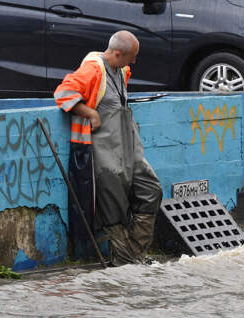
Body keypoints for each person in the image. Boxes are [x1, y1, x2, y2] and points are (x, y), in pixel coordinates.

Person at [54, 30, 163, 266]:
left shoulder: (121, 70)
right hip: (104, 153)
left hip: (129, 148)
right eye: (131, 57)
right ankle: (125, 264)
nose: (133, 62)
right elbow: (63, 93)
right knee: (114, 209)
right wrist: (90, 112)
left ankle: (134, 253)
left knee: (151, 190)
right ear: (116, 53)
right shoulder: (93, 70)